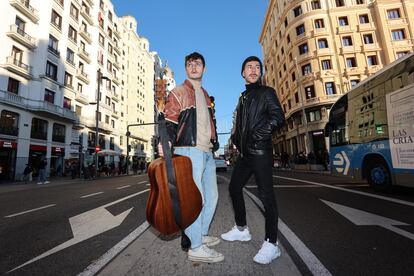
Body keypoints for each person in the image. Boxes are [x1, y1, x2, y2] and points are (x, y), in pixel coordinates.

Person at [159, 52, 223, 263]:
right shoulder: (178, 92)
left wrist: (215, 143)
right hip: (188, 150)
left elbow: (209, 123)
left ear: (204, 68)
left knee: (211, 197)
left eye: (197, 63)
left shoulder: (206, 95)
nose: (193, 67)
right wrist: (166, 141)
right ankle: (196, 247)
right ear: (186, 69)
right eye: (189, 64)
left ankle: (201, 235)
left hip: (207, 152)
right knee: (194, 200)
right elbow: (169, 119)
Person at [221, 56, 285, 264]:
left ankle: (271, 243)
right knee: (234, 188)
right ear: (243, 73)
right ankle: (241, 229)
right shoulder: (243, 98)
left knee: (267, 196)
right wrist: (236, 139)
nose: (254, 70)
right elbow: (241, 125)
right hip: (245, 154)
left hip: (260, 152)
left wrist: (258, 135)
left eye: (258, 67)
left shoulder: (266, 92)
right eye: (249, 67)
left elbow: (278, 118)